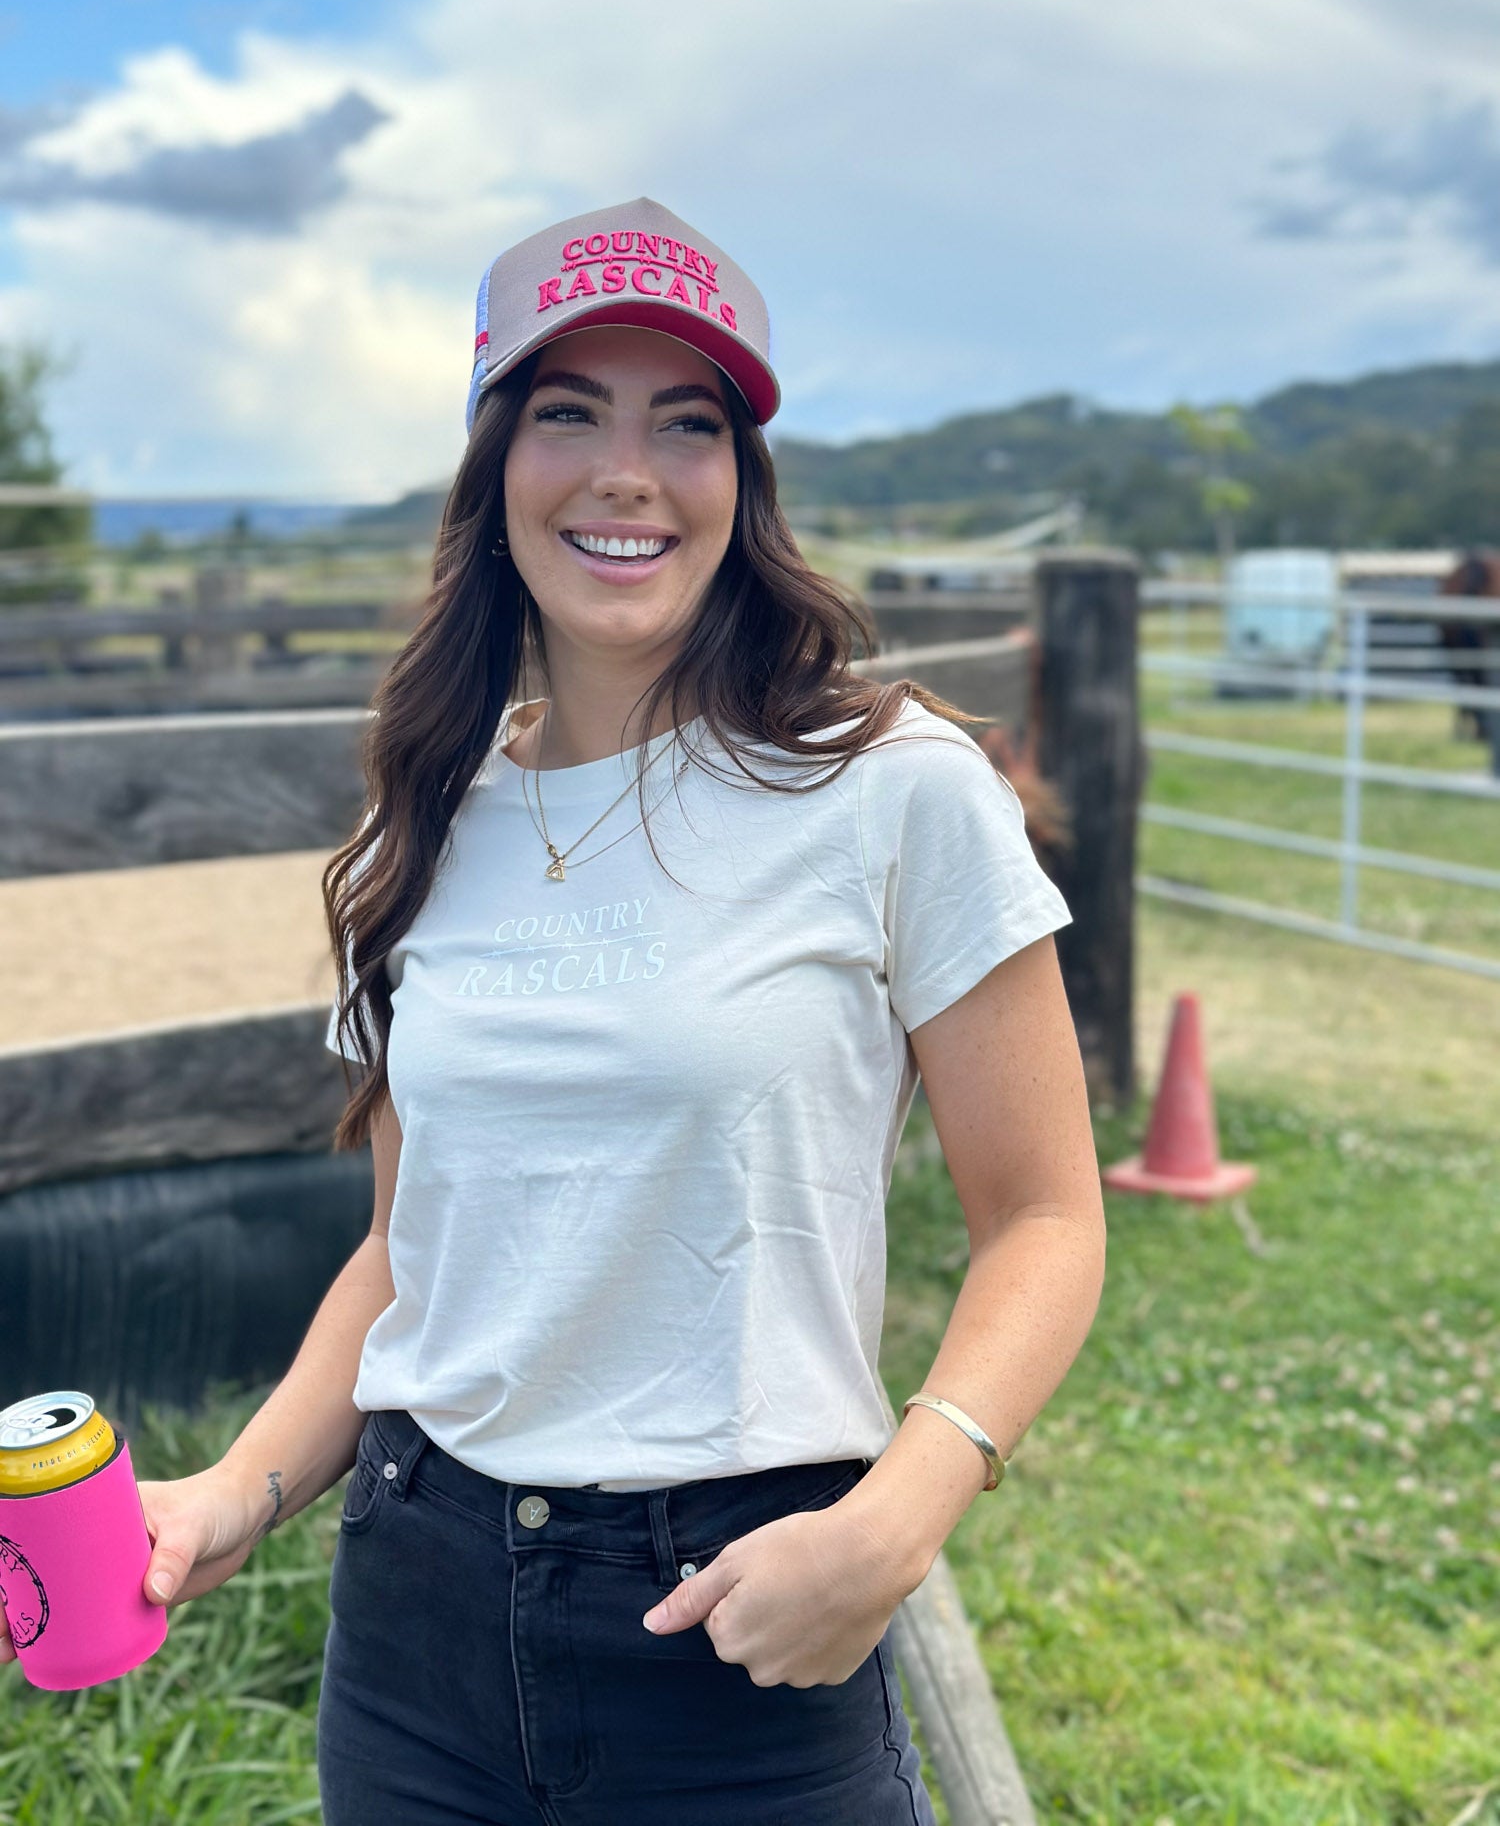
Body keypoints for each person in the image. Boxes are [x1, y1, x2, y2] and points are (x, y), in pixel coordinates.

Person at [72, 196, 1105, 1822]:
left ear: (739, 487)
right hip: (415, 1624)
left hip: (744, 1621)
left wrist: (895, 1522)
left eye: (686, 423)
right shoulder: (416, 829)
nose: (628, 469)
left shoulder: (892, 792)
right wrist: (235, 1494)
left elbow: (1045, 1217)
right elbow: (407, 1260)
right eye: (571, 412)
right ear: (496, 471)